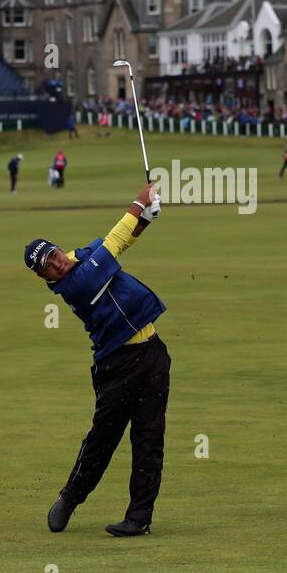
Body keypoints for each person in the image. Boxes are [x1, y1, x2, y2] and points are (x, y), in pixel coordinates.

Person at [25, 182, 169, 538]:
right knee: (102, 439)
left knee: (149, 439)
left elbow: (124, 240)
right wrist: (139, 201)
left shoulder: (80, 257)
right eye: (48, 266)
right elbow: (114, 241)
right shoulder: (75, 284)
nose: (57, 263)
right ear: (44, 277)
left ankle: (139, 518)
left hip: (152, 354)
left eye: (54, 254)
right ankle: (70, 498)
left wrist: (147, 218)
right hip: (116, 364)